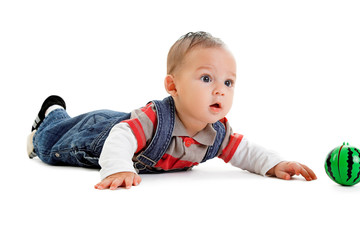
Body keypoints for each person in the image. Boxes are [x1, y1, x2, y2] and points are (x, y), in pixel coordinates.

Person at [27, 32, 317, 190]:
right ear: (173, 85)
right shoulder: (154, 120)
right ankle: (52, 114)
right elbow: (121, 136)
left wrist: (275, 164)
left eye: (228, 82)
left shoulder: (216, 134)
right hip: (100, 132)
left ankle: (55, 116)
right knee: (51, 143)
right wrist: (119, 167)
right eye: (206, 78)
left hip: (124, 127)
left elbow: (247, 152)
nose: (220, 90)